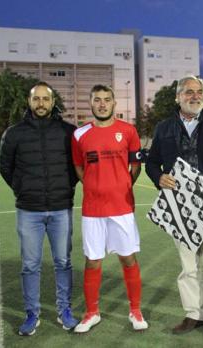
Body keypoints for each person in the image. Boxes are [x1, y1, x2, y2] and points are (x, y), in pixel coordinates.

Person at [145, 75, 203, 338]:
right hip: (180, 206)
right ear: (178, 97)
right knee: (188, 265)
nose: (195, 96)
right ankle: (193, 313)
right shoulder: (163, 127)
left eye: (199, 91)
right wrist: (158, 177)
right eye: (188, 92)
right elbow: (151, 162)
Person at [0, 82, 79, 336]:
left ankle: (64, 310)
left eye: (46, 99)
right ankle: (32, 313)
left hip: (60, 208)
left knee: (63, 262)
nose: (41, 103)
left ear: (53, 102)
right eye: (37, 99)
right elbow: (5, 167)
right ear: (30, 102)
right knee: (30, 265)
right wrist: (22, 189)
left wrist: (65, 187)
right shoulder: (14, 133)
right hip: (29, 210)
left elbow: (76, 168)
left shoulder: (69, 132)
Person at [71, 85, 148, 333]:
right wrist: (94, 186)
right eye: (97, 100)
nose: (102, 104)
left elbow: (135, 166)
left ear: (114, 103)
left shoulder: (128, 131)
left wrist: (122, 185)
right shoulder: (79, 134)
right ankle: (92, 312)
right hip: (93, 209)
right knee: (93, 261)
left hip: (122, 207)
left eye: (107, 100)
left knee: (128, 258)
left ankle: (135, 311)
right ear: (91, 104)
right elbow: (78, 167)